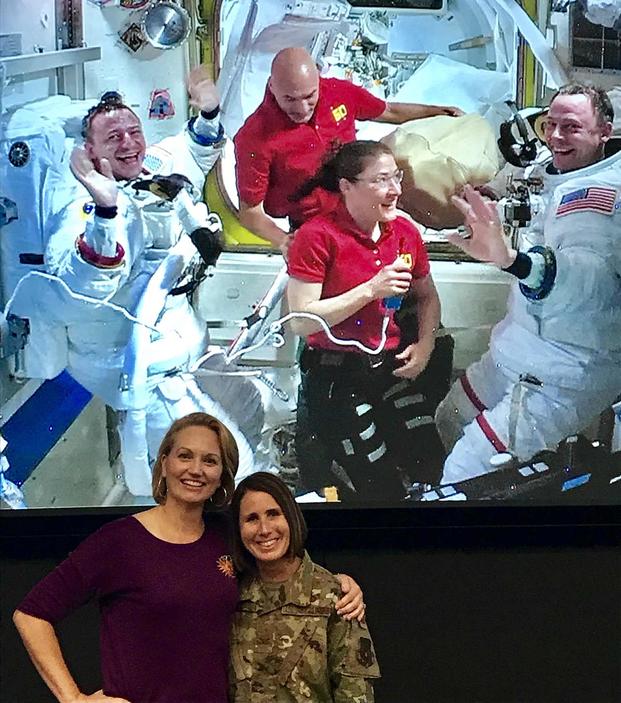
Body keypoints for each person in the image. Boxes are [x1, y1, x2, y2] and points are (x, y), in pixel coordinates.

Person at [14, 65, 264, 494]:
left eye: (134, 131)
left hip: (178, 355)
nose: (129, 143)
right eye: (114, 138)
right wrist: (107, 208)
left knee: (251, 415)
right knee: (230, 476)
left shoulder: (148, 170)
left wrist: (209, 112)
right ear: (90, 153)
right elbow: (76, 291)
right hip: (140, 373)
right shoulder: (82, 209)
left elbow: (195, 151)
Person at [12, 413, 365, 703]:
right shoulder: (118, 542)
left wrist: (341, 586)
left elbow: (282, 574)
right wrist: (73, 699)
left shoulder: (227, 537)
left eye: (209, 461)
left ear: (221, 477)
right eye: (185, 456)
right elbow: (31, 614)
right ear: (164, 462)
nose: (196, 469)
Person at [435, 84, 621, 484]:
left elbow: (586, 280)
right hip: (520, 348)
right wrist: (492, 200)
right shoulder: (554, 171)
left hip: (568, 369)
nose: (555, 136)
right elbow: (534, 204)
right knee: (449, 418)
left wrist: (512, 260)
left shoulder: (604, 198)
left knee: (463, 471)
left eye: (571, 127)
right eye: (550, 125)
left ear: (604, 132)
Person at [286, 141, 446, 501]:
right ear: (347, 186)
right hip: (335, 376)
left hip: (385, 369)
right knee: (377, 480)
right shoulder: (317, 237)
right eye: (380, 180)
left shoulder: (405, 233)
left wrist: (425, 344)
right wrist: (370, 290)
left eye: (396, 178)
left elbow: (427, 297)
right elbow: (301, 320)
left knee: (430, 459)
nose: (394, 190)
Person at [234, 46, 463, 250]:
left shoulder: (339, 93)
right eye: (290, 99)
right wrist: (284, 241)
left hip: (364, 203)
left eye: (309, 96)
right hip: (315, 226)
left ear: (319, 81)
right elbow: (250, 213)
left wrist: (437, 112)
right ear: (272, 86)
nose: (302, 108)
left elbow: (389, 111)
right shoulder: (254, 139)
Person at [229, 471, 380, 702]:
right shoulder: (229, 595)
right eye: (251, 519)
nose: (264, 529)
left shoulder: (336, 597)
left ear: (291, 518)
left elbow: (354, 693)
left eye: (273, 514)